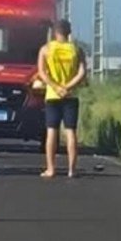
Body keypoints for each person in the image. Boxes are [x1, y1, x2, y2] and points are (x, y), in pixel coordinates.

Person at [37, 19, 86, 178]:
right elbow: (82, 73)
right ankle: (72, 170)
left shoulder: (46, 49)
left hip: (52, 95)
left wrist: (57, 87)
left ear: (55, 32)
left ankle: (51, 169)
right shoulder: (77, 50)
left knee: (52, 132)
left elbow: (42, 73)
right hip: (71, 96)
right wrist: (68, 87)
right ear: (69, 32)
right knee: (70, 132)